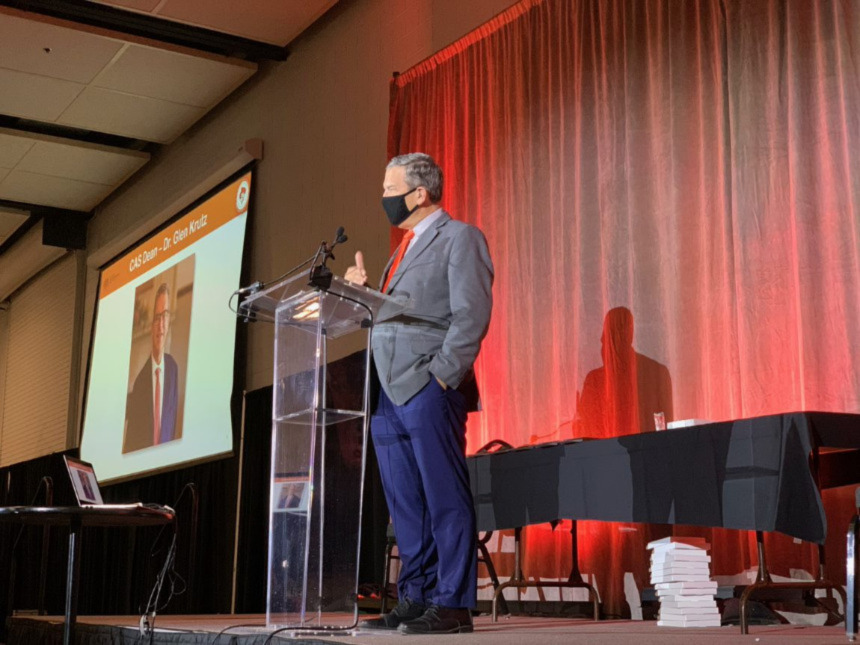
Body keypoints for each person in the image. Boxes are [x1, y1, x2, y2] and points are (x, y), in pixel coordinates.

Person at [346, 153, 493, 634]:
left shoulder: (460, 238)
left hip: (428, 386)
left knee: (443, 495)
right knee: (406, 503)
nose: (383, 197)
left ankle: (452, 603)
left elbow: (471, 314)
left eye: (390, 189)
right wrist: (364, 293)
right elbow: (399, 313)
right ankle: (416, 596)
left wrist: (443, 376)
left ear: (420, 193)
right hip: (387, 391)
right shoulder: (401, 249)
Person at [123, 282, 180, 453]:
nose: (161, 325)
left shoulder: (173, 368)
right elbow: (131, 443)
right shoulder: (140, 382)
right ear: (151, 327)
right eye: (157, 317)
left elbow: (172, 420)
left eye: (165, 315)